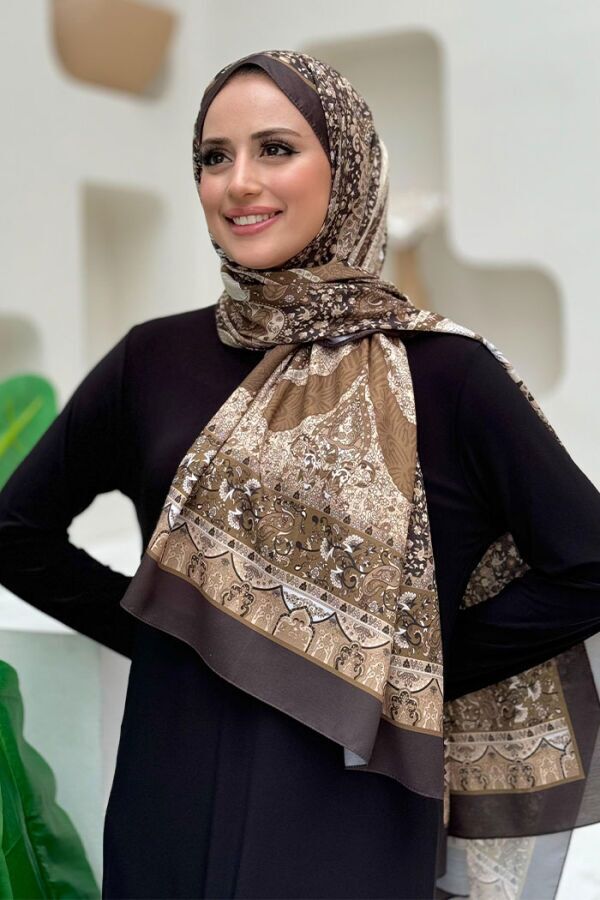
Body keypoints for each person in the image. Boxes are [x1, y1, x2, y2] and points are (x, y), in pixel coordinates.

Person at [1, 49, 600, 900]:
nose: (238, 182)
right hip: (170, 792)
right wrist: (168, 632)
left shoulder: (444, 372)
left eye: (275, 149)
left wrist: (406, 660)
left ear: (347, 166)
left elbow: (587, 565)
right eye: (214, 156)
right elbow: (15, 532)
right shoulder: (153, 360)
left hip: (350, 808)